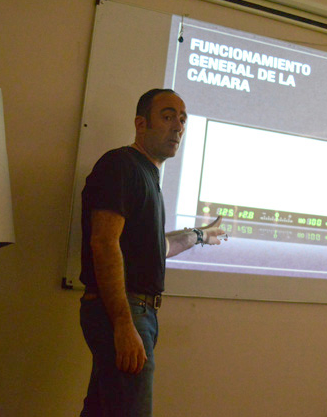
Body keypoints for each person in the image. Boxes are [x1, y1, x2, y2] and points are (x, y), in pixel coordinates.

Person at [79, 88, 226, 417]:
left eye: (183, 119)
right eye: (168, 116)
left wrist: (200, 235)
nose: (178, 126)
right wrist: (123, 324)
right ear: (140, 124)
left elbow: (158, 247)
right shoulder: (121, 165)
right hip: (125, 310)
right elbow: (104, 242)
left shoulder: (147, 174)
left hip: (136, 312)